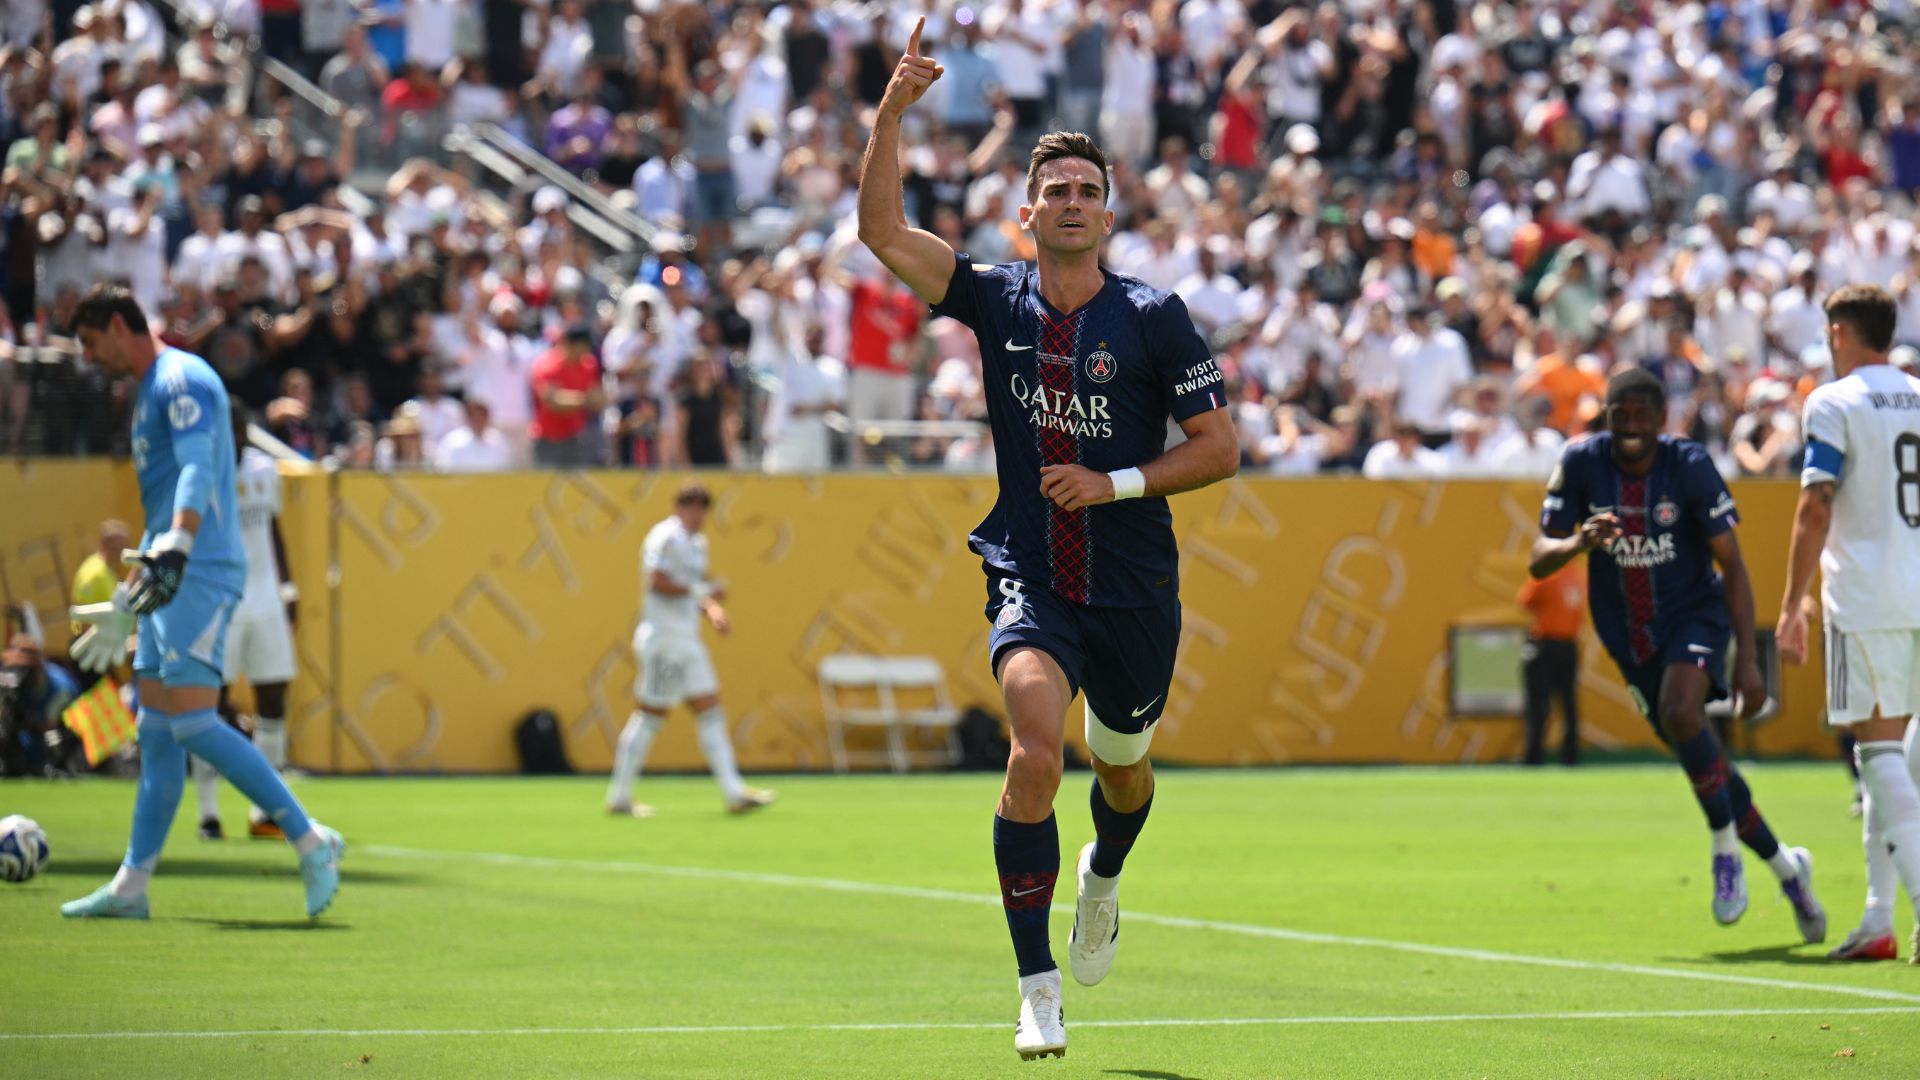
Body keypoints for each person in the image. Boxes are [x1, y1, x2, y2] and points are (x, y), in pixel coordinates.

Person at [855, 20, 1239, 1060]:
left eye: (1086, 191)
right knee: (1034, 755)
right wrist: (891, 114)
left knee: (1123, 769)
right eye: (1054, 192)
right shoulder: (992, 297)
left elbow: (1220, 449)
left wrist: (1110, 482)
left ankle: (1104, 876)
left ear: (1106, 212)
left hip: (1133, 585)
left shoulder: (1156, 317)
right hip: (1031, 575)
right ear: (1026, 214)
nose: (1070, 204)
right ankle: (1035, 990)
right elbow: (884, 233)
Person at [60, 284, 342, 921]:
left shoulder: (179, 379)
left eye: (88, 340)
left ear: (115, 324)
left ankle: (310, 840)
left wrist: (179, 547)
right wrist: (140, 587)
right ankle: (132, 886)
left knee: (191, 721)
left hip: (197, 569)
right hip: (169, 568)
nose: (87, 355)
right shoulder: (155, 384)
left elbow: (194, 469)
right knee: (157, 733)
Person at [1531, 368, 1823, 942]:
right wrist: (1579, 542)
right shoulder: (1581, 462)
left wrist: (1746, 661)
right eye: (1622, 414)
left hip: (1694, 614)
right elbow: (1538, 558)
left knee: (1684, 713)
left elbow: (1733, 565)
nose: (1632, 426)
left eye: (1643, 414)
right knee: (1703, 762)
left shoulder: (1686, 465)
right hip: (1629, 634)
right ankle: (1789, 870)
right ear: (1606, 416)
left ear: (1662, 419)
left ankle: (1723, 852)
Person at [1776, 284, 1920, 962]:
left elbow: (1815, 506)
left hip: (1869, 597)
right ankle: (1877, 917)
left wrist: (1790, 605)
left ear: (1838, 332)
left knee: (1878, 752)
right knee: (1899, 763)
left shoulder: (1832, 402)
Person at [604, 482, 775, 819]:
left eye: (702, 509)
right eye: (691, 508)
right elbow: (657, 582)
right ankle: (620, 795)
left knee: (711, 709)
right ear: (678, 507)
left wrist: (710, 608)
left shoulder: (699, 543)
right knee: (651, 715)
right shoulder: (665, 537)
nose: (697, 515)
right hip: (665, 640)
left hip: (687, 639)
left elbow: (692, 592)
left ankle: (734, 791)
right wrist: (702, 590)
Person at [195, 406, 302, 842]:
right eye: (228, 427)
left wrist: (289, 589)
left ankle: (266, 810)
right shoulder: (201, 472)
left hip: (265, 599)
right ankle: (209, 813)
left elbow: (273, 529)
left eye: (240, 427)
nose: (235, 435)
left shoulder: (264, 469)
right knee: (209, 705)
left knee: (274, 698)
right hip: (222, 602)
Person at [1515, 562, 1583, 766]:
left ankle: (1533, 755)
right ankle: (1570, 756)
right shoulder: (1579, 575)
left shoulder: (1547, 572)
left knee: (1537, 702)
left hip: (1545, 644)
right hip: (1570, 645)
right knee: (1569, 702)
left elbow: (1524, 601)